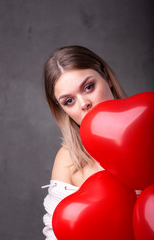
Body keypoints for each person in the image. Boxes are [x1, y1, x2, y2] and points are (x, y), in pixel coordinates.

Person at [42, 45, 126, 239]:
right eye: (69, 101)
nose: (83, 104)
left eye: (89, 87)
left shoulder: (148, 125)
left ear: (107, 78)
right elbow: (56, 233)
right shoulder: (68, 159)